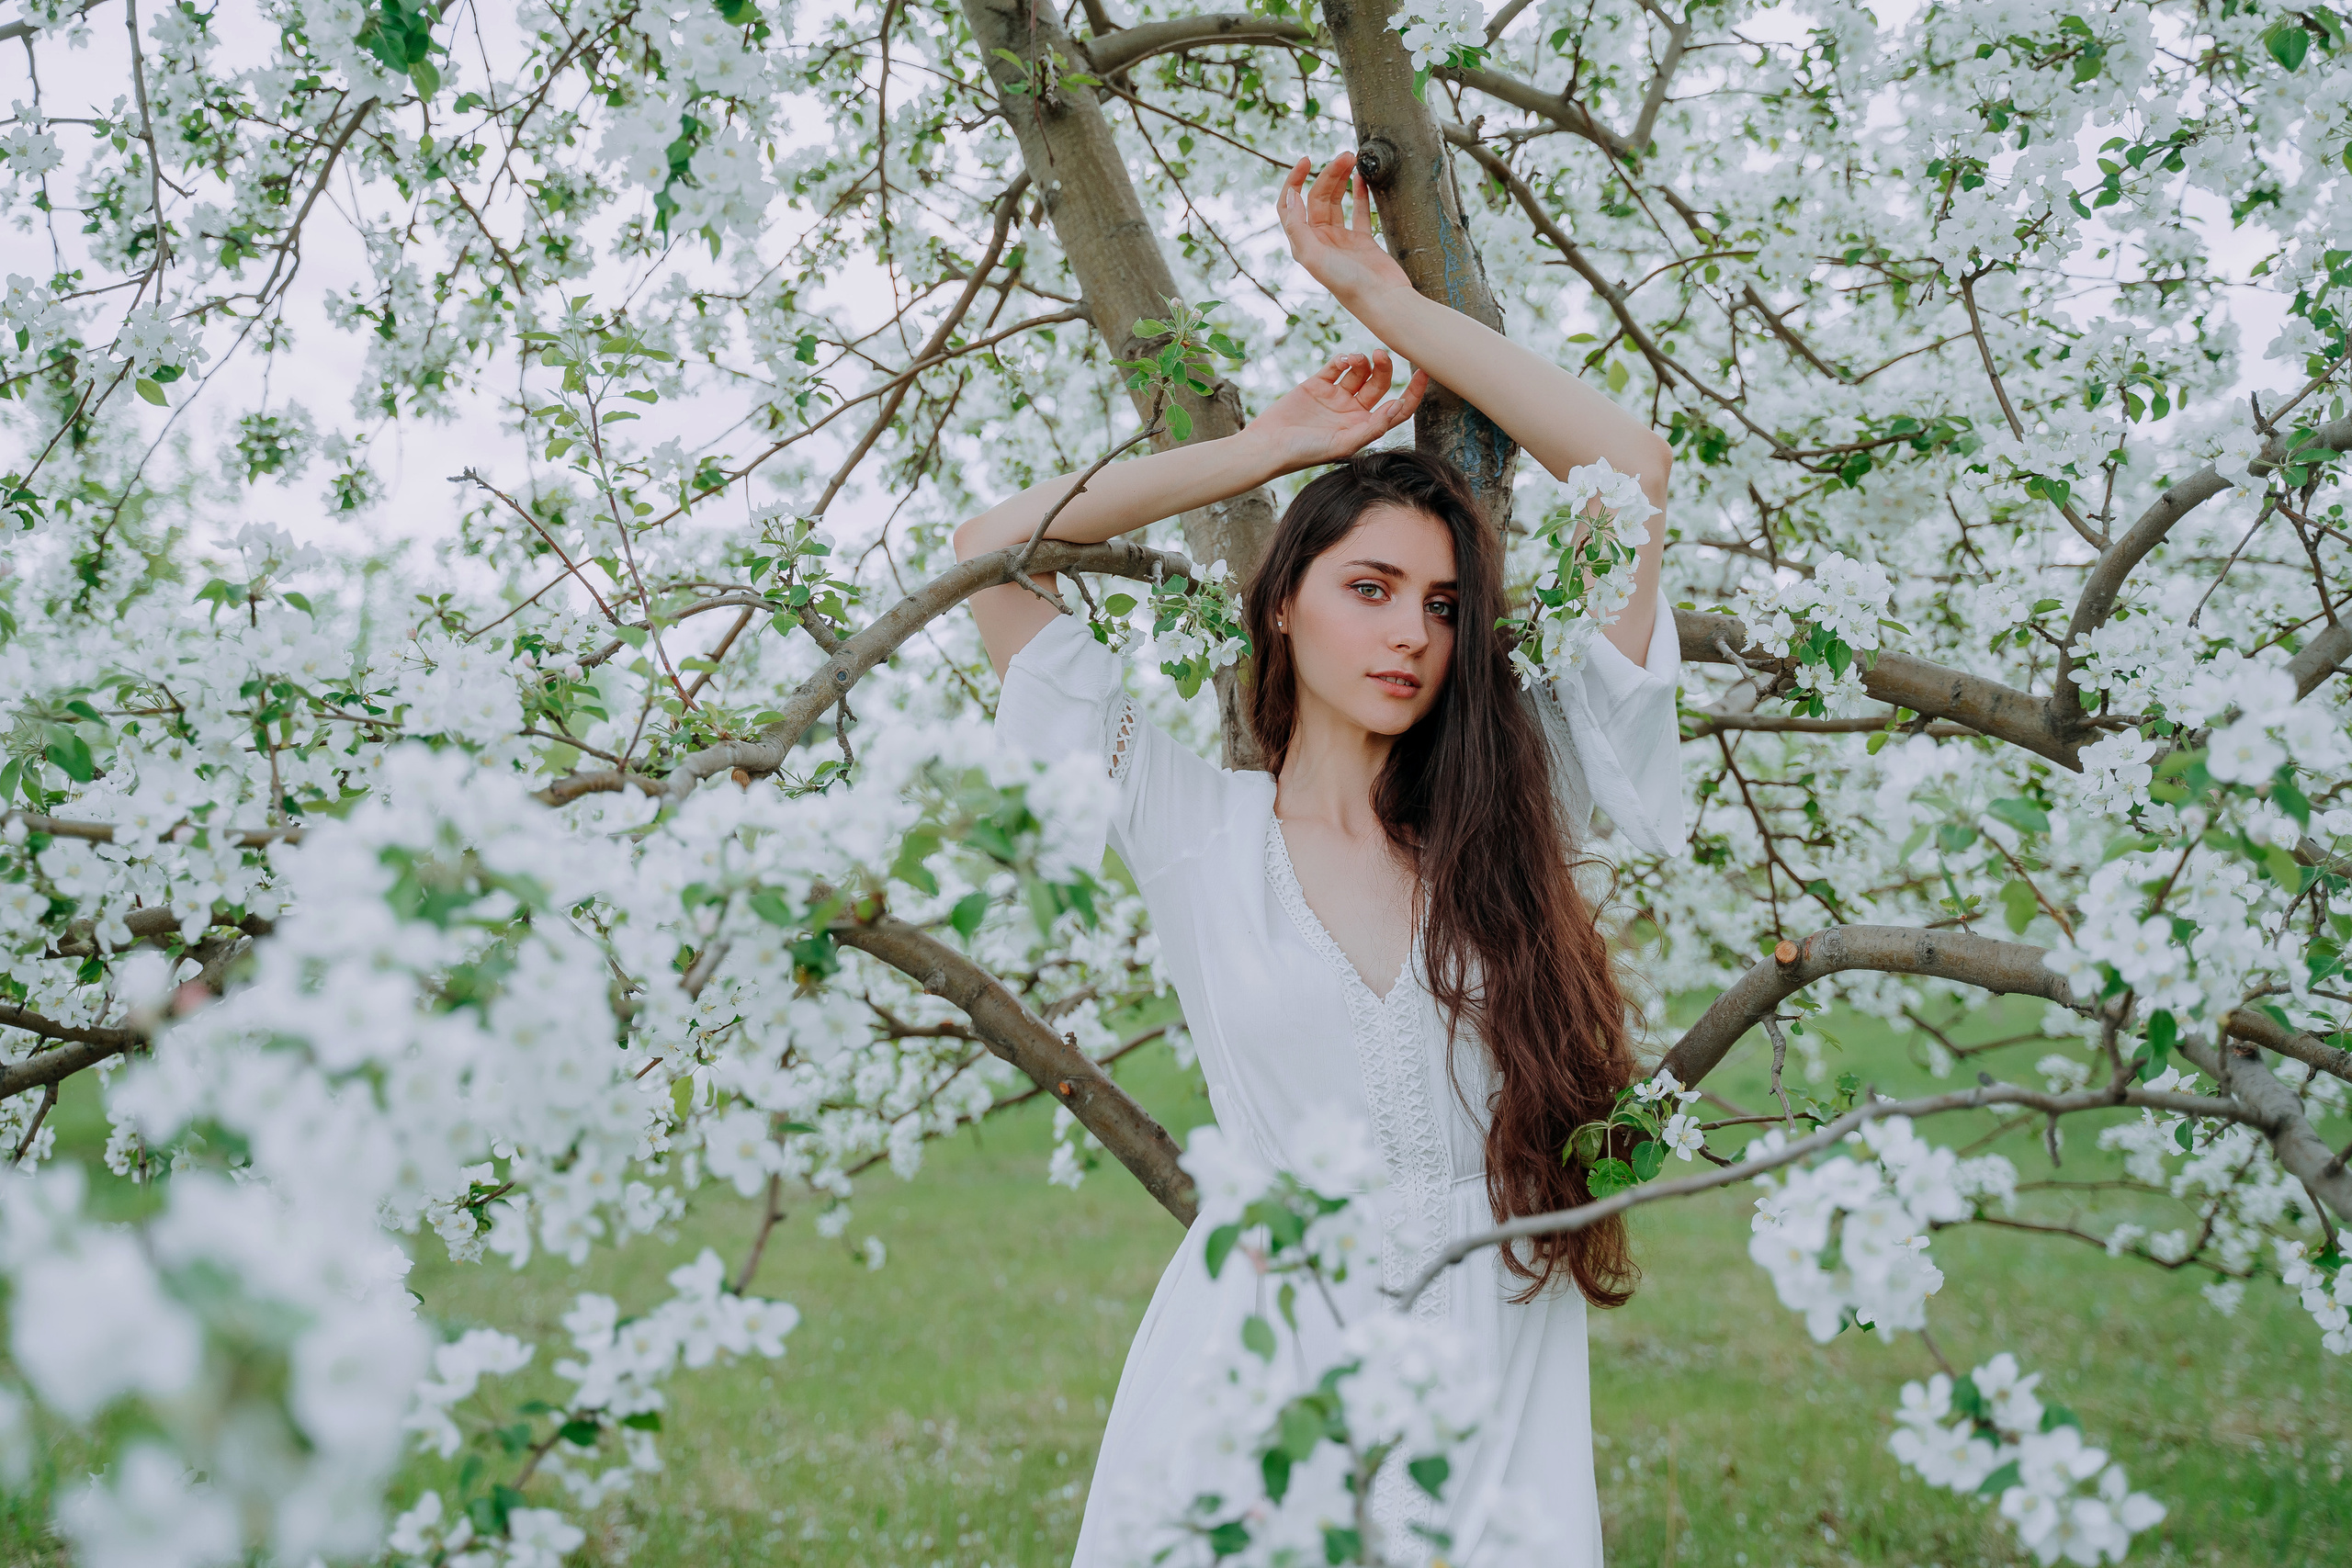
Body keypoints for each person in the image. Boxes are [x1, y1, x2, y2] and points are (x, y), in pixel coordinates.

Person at [952, 153, 1684, 1565]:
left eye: (1442, 604)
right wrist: (1270, 448)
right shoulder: (1183, 818)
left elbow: (1630, 476)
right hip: (1254, 1365)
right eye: (1368, 589)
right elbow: (993, 553)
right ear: (1282, 606)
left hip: (1498, 1354)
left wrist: (1384, 301)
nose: (1410, 632)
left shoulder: (1520, 809)